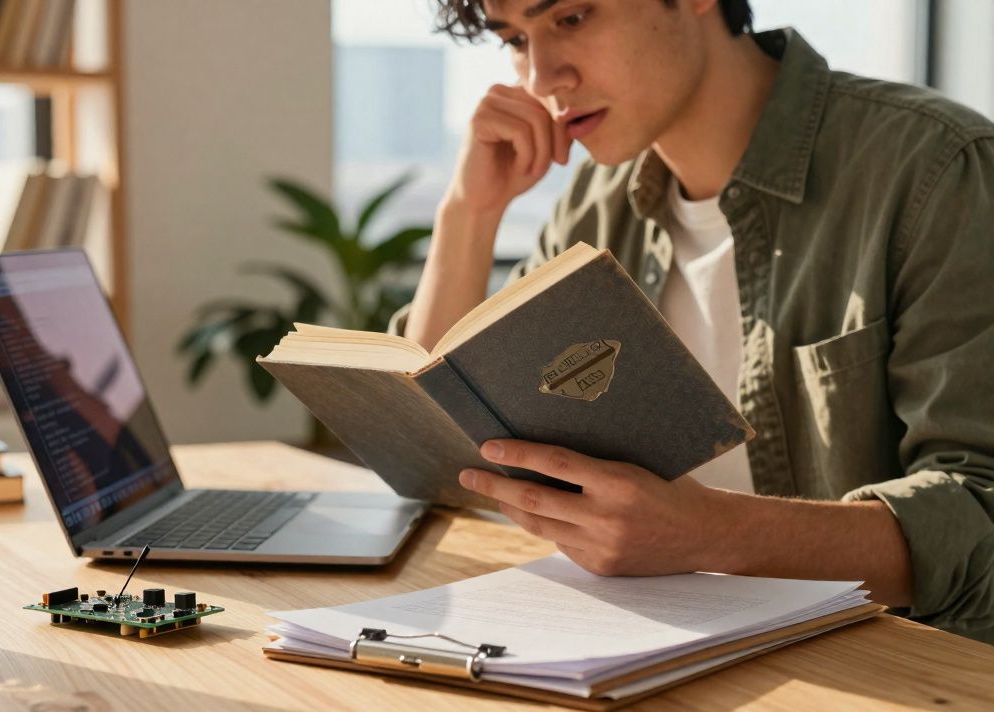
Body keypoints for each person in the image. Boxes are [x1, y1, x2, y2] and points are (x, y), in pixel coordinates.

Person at [396, 0, 994, 642]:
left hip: (888, 676)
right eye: (515, 39)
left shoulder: (936, 169)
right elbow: (438, 441)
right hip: (647, 648)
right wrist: (468, 213)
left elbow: (979, 518)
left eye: (571, 19)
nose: (542, 79)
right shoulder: (593, 209)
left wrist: (707, 535)